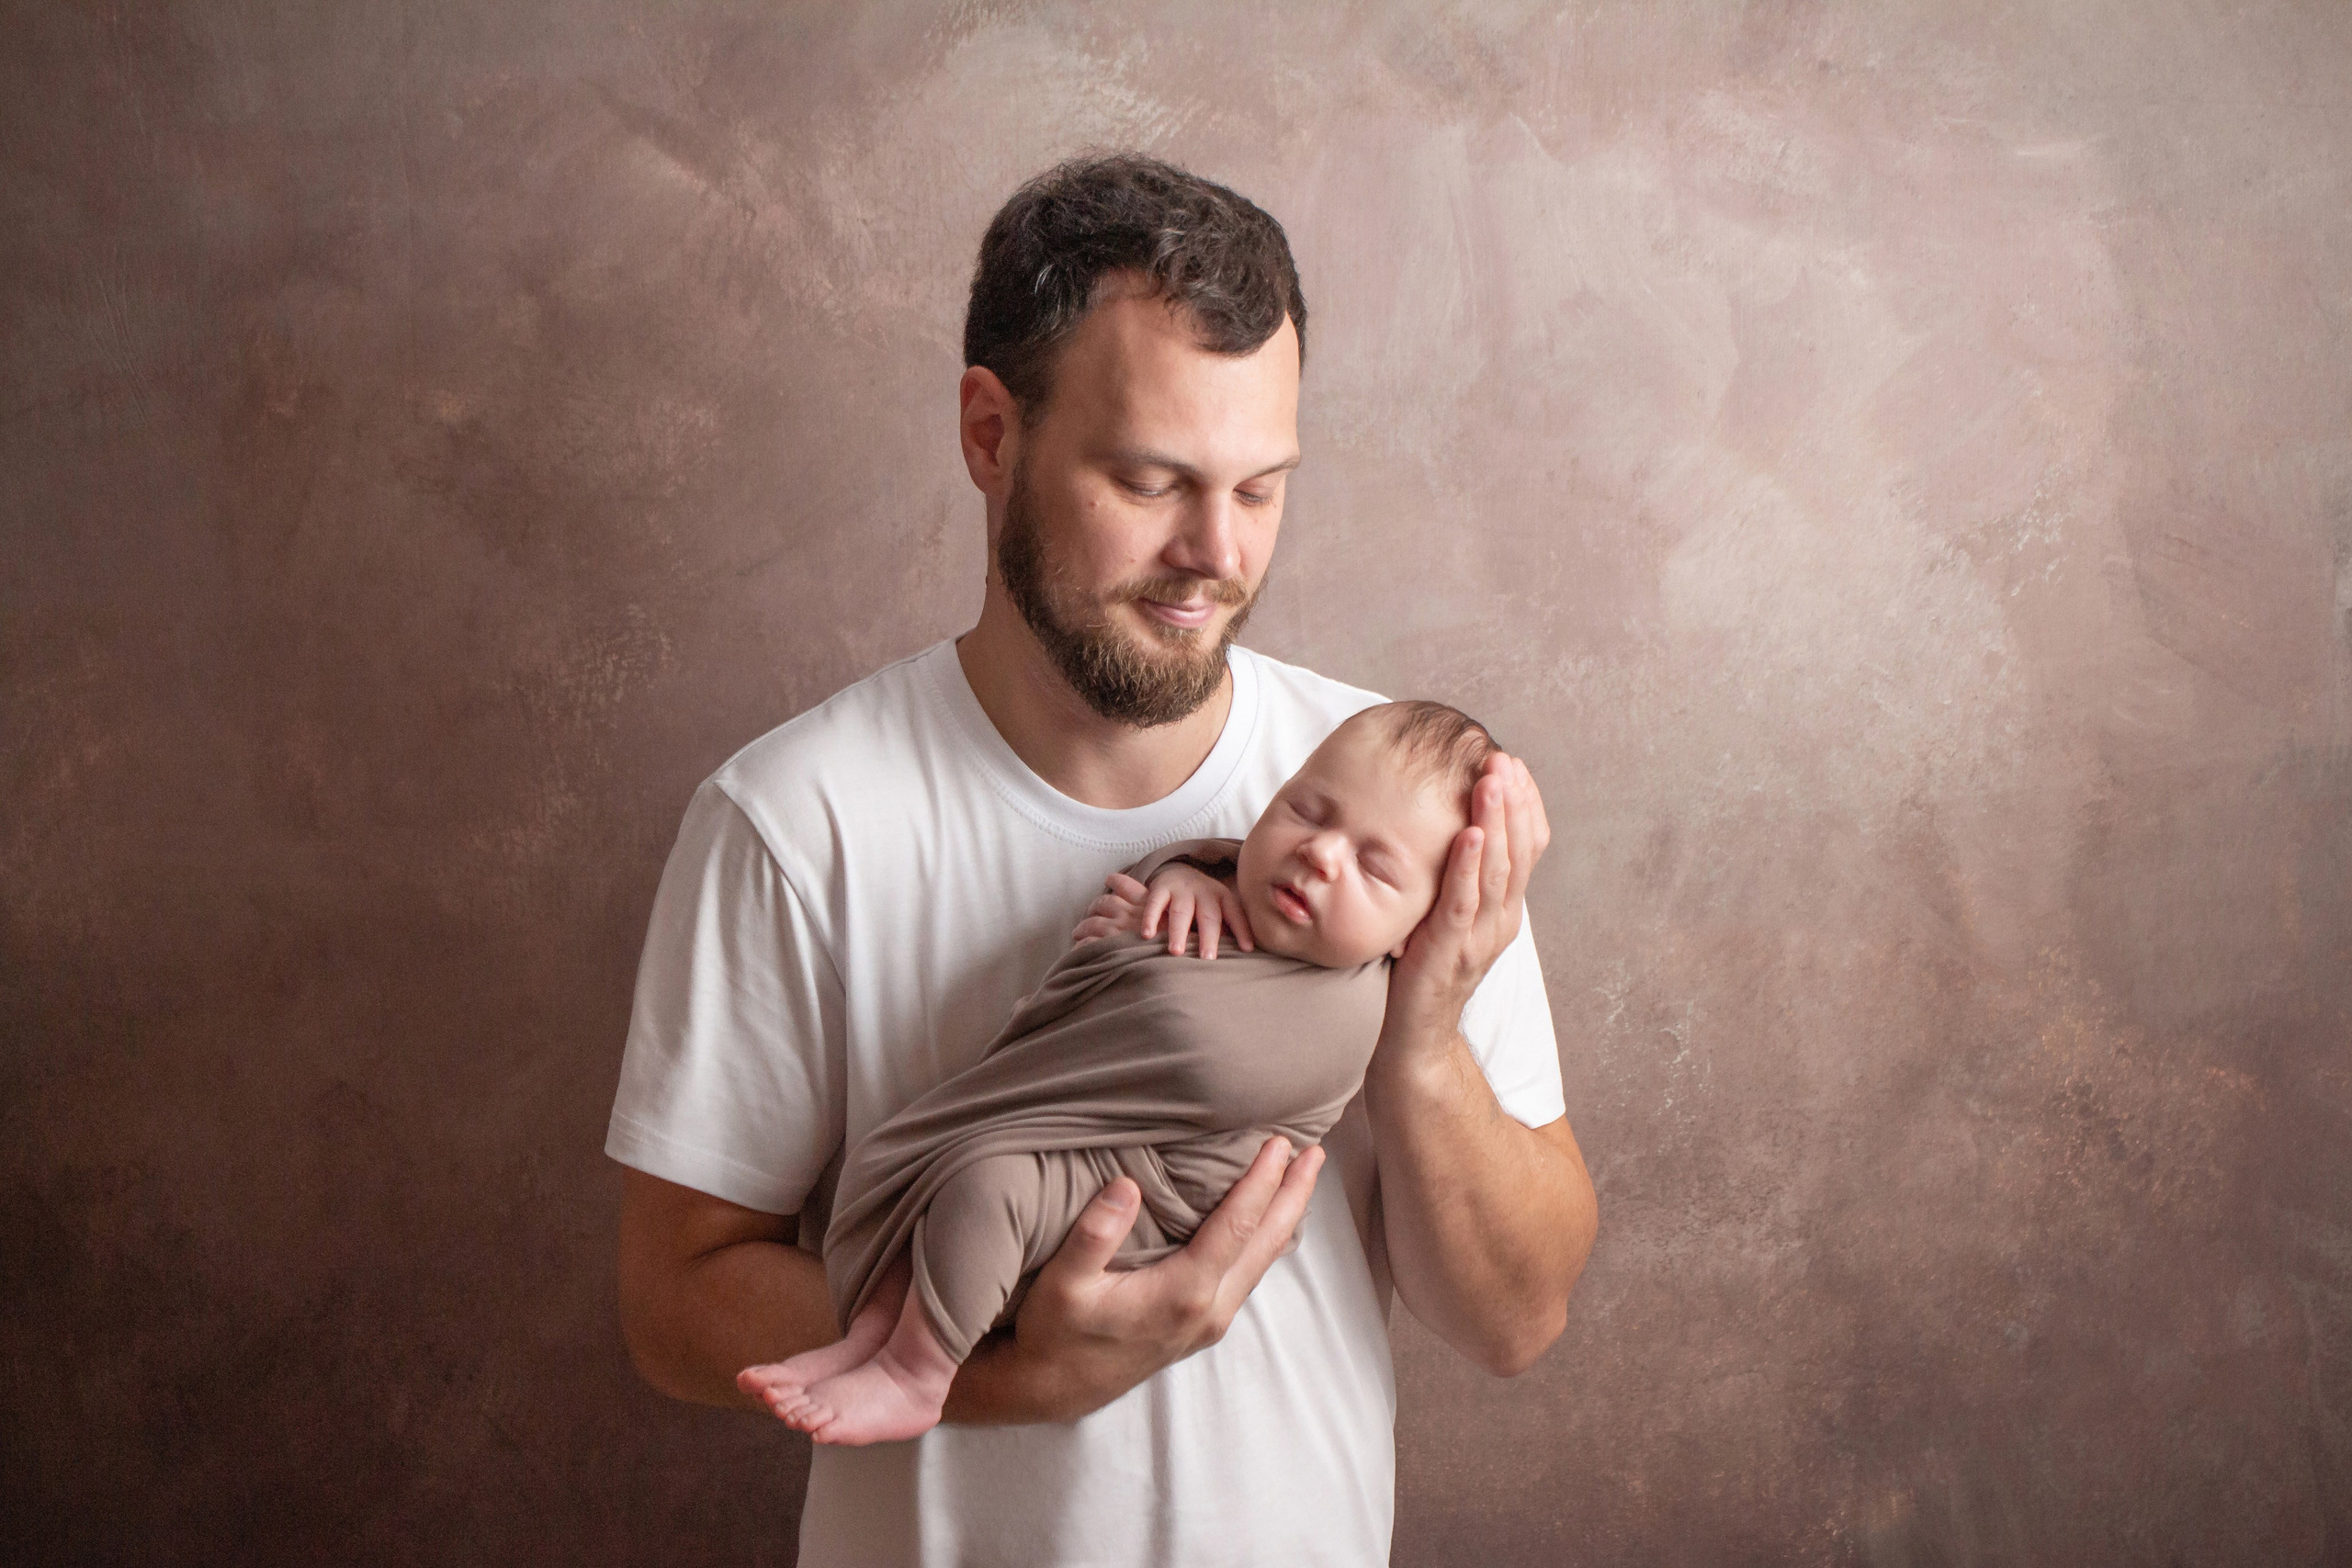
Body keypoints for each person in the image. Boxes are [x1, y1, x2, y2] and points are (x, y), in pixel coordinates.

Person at [608, 152, 1597, 1566]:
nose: (1216, 553)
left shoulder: (1396, 824)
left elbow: (1515, 1317)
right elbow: (675, 1302)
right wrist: (1017, 1373)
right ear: (988, 433)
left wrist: (1426, 1030)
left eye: (1262, 489)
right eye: (1151, 480)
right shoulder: (793, 817)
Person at [736, 701, 1498, 1447]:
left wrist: (1134, 957)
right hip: (1092, 1148)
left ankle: (917, 1371)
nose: (1320, 852)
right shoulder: (1242, 891)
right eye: (1306, 808)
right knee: (946, 1185)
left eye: (1374, 866)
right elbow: (1196, 865)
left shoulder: (1354, 1007)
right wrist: (1182, 874)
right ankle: (871, 1335)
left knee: (984, 1189)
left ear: (1417, 932)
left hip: (1153, 1192)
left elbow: (1196, 1048)